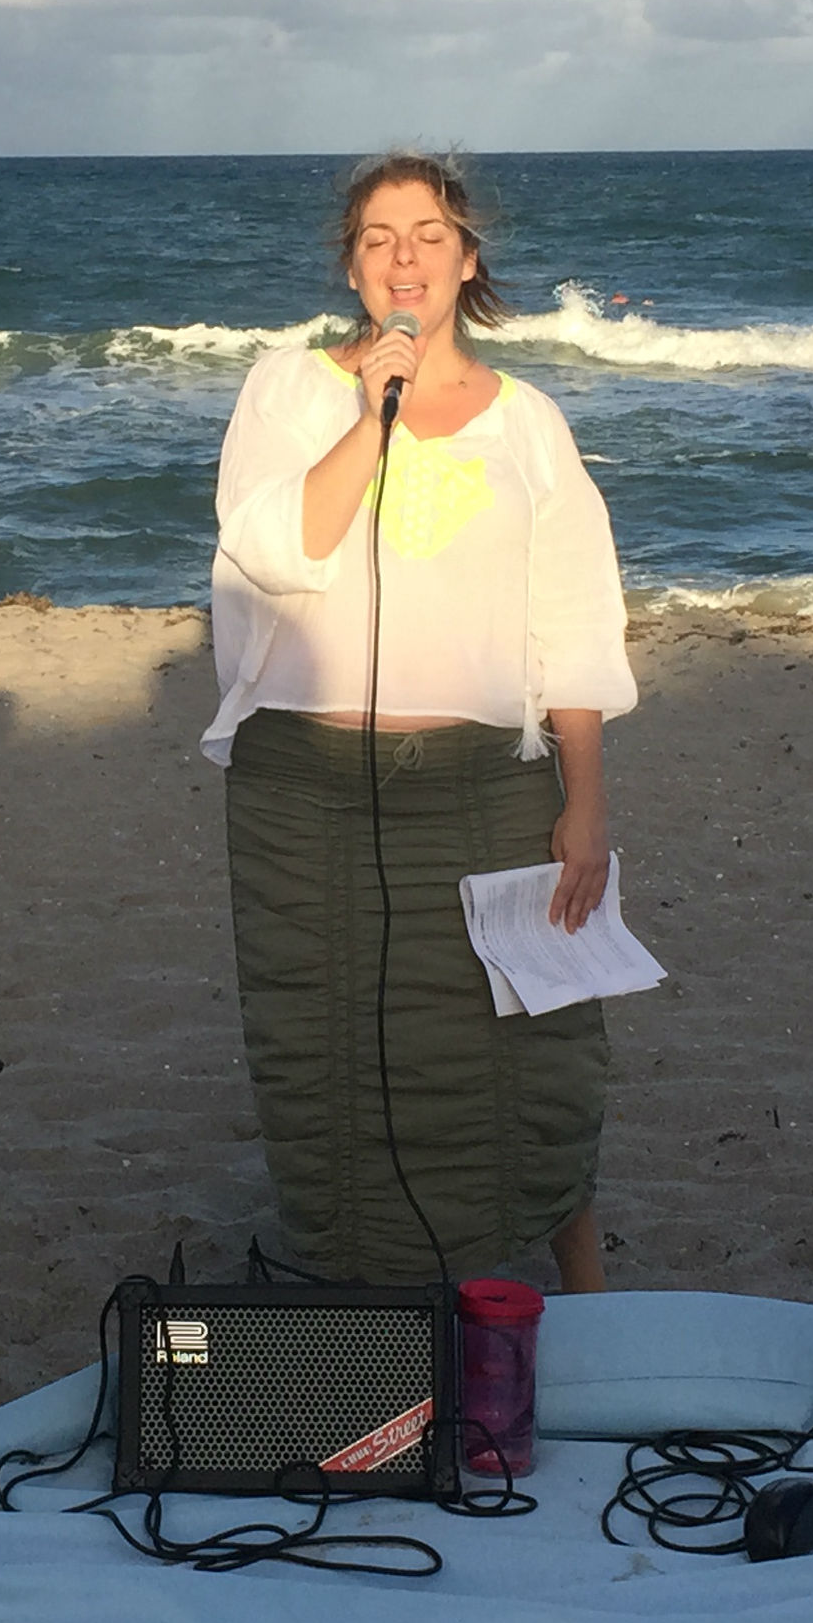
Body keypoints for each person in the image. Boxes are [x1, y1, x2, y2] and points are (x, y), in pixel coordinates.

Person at [200, 149, 636, 1292]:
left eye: (429, 233)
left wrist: (584, 797)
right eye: (381, 236)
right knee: (329, 1042)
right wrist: (372, 411)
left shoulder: (529, 421)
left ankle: (581, 1288)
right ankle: (367, 1288)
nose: (405, 256)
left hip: (488, 778)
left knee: (534, 1025)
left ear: (466, 260)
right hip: (304, 785)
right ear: (351, 266)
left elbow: (573, 618)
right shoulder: (289, 389)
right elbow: (276, 549)